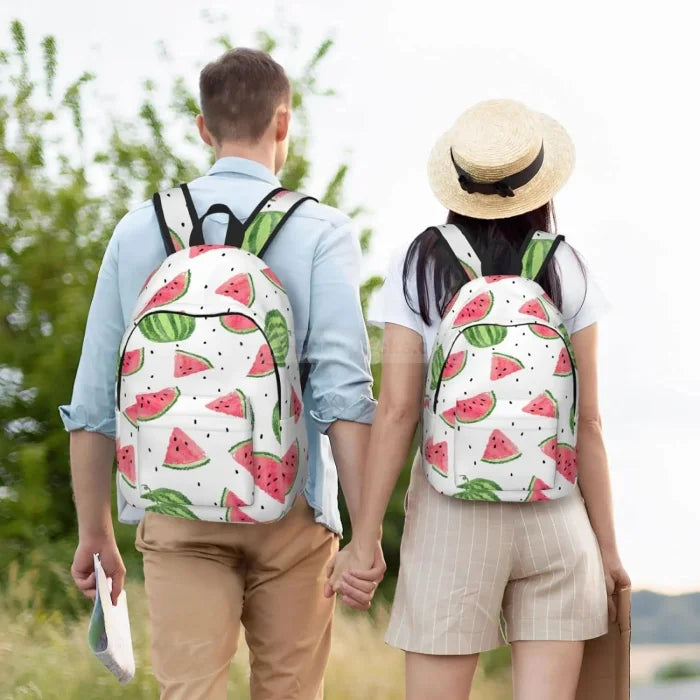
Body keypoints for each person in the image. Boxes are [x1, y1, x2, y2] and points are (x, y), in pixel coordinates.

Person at [61, 47, 384, 700]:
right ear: (283, 124)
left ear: (203, 129)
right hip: (292, 507)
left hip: (175, 507)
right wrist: (365, 533)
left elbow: (95, 399)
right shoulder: (321, 230)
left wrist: (95, 532)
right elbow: (343, 395)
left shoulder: (137, 231)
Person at [327, 99, 630, 700]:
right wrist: (609, 551)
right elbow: (589, 422)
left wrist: (364, 540)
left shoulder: (419, 262)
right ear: (540, 184)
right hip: (557, 514)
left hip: (451, 512)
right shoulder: (567, 266)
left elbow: (397, 411)